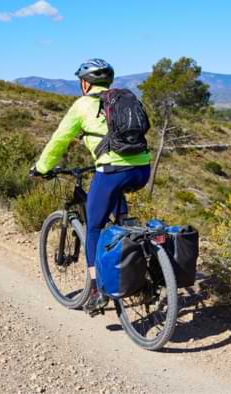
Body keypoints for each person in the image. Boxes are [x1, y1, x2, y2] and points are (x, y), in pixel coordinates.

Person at [31, 59, 151, 314]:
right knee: (122, 219)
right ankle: (143, 265)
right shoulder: (125, 98)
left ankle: (96, 290)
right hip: (142, 169)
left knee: (94, 226)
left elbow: (59, 139)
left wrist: (41, 168)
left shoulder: (83, 104)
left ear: (85, 83)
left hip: (112, 170)